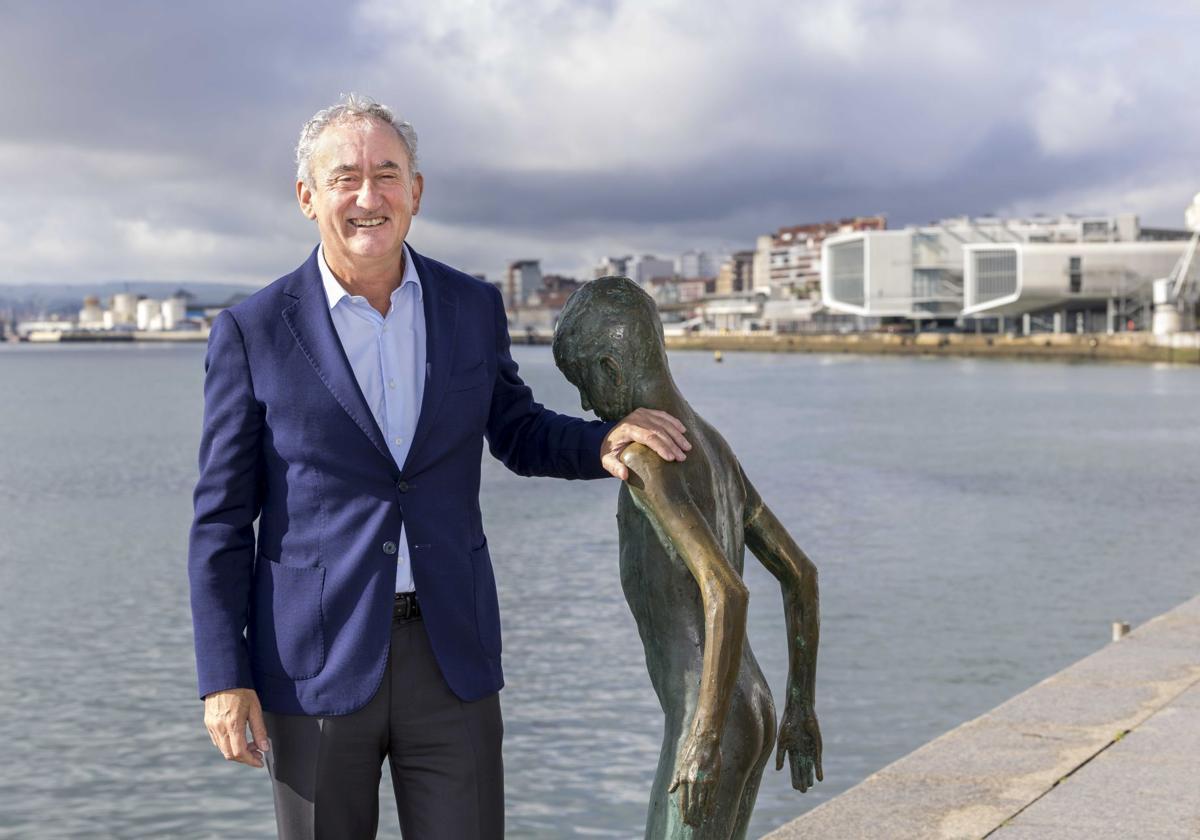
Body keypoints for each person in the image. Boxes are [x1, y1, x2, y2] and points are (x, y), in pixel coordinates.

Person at [188, 94, 690, 840]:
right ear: (307, 196)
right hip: (311, 664)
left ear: (415, 191)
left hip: (450, 650)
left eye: (387, 174)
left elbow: (516, 429)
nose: (368, 197)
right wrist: (224, 680)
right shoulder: (251, 331)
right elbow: (222, 521)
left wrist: (604, 442)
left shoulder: (470, 307)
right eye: (345, 177)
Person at [552, 277, 822, 839]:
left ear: (611, 370)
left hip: (707, 724)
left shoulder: (646, 456)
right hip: (755, 706)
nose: (584, 405)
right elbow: (801, 574)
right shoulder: (714, 446)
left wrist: (701, 738)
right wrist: (799, 705)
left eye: (583, 385)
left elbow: (725, 590)